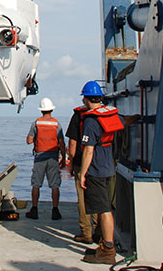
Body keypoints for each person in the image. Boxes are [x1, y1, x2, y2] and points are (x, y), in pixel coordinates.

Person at [78, 81, 124, 264]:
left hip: (96, 171)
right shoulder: (112, 115)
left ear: (86, 98)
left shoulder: (90, 120)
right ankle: (107, 245)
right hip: (109, 169)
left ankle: (108, 250)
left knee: (103, 211)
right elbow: (124, 122)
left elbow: (88, 150)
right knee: (107, 210)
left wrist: (82, 173)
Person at [65, 91, 98, 243]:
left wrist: (71, 164)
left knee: (83, 198)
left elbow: (72, 144)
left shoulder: (78, 116)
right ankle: (99, 231)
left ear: (85, 98)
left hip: (81, 162)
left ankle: (86, 233)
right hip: (100, 164)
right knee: (99, 199)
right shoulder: (104, 115)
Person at [25, 97, 66, 220]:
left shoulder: (36, 123)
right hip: (53, 157)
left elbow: (29, 140)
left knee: (36, 184)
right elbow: (62, 143)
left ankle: (34, 209)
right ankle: (55, 210)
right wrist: (63, 159)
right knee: (55, 185)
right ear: (51, 110)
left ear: (41, 110)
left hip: (39, 158)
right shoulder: (57, 124)